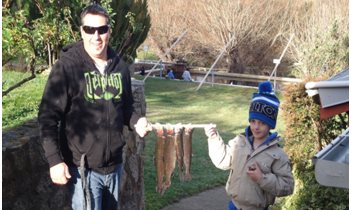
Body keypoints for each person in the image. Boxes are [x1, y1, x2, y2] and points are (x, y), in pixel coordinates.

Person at [38, 4, 152, 210]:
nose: (96, 36)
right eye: (90, 29)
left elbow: (125, 108)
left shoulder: (120, 67)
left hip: (115, 168)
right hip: (83, 172)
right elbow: (47, 117)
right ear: (82, 31)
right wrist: (54, 160)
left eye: (102, 29)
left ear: (109, 30)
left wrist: (137, 121)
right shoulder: (67, 67)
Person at [204, 81, 294, 210]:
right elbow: (222, 161)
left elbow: (287, 187)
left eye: (262, 123)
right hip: (233, 206)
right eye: (253, 121)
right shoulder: (239, 142)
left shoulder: (278, 155)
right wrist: (213, 138)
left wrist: (262, 178)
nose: (256, 127)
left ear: (270, 125)